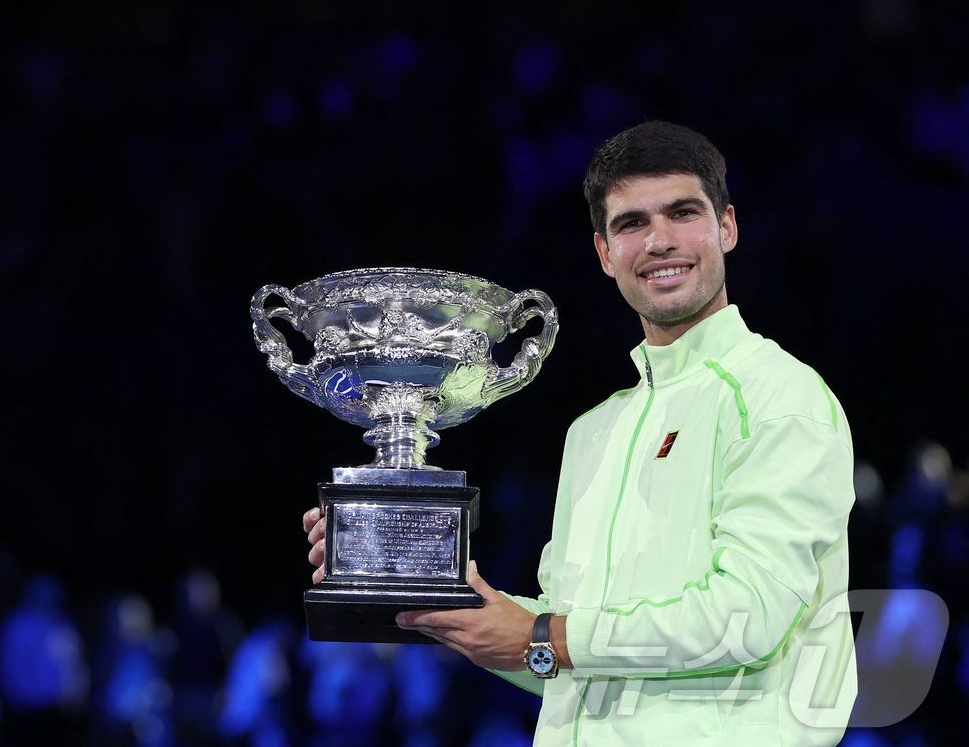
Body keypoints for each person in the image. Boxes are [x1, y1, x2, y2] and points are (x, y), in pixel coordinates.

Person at [304, 121, 858, 744]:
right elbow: (574, 667)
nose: (660, 241)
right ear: (604, 252)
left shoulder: (778, 396)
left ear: (726, 227)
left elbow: (748, 617)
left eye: (682, 213)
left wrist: (543, 636)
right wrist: (429, 584)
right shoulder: (594, 432)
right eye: (631, 224)